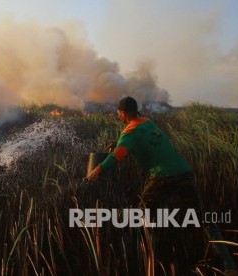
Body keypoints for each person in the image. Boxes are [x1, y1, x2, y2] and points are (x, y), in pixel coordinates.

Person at [86, 96, 204, 273]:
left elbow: (117, 156)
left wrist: (97, 171)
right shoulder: (147, 122)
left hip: (162, 177)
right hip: (184, 172)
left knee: (141, 214)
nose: (117, 115)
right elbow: (137, 142)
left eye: (118, 113)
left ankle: (140, 256)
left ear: (124, 113)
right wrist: (117, 144)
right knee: (198, 215)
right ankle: (217, 256)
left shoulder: (130, 131)